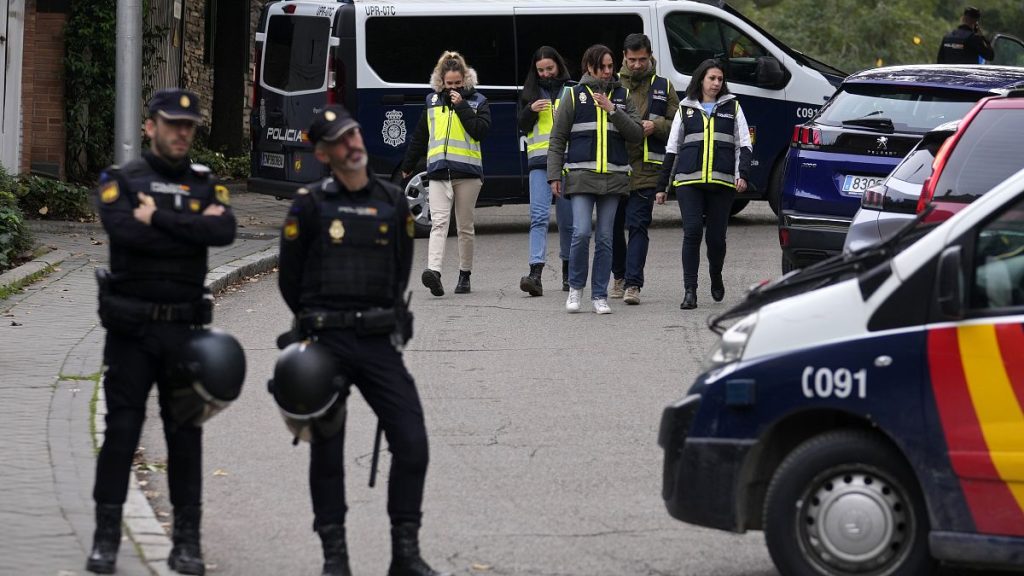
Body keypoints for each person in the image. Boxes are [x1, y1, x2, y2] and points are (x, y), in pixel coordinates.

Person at [279, 105, 448, 576]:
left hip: (376, 342)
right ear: (323, 153)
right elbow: (290, 282)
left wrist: (381, 319)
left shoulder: (393, 202)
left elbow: (398, 271)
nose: (353, 144)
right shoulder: (308, 205)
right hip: (324, 344)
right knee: (327, 450)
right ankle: (335, 556)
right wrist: (318, 321)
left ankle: (405, 554)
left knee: (412, 442)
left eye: (354, 134)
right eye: (340, 140)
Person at [88, 88, 238, 575]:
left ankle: (187, 542)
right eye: (172, 124)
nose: (181, 133)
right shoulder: (122, 180)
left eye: (188, 126)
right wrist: (191, 222)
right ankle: (106, 537)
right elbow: (125, 231)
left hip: (184, 332)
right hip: (131, 330)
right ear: (149, 126)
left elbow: (225, 232)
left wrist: (161, 218)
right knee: (121, 432)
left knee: (185, 436)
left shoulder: (204, 180)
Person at [547, 44, 644, 314]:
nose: (607, 71)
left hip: (613, 178)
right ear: (589, 67)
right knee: (580, 232)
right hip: (580, 177)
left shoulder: (621, 95)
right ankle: (576, 289)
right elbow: (557, 138)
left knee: (604, 238)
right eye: (602, 66)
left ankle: (599, 294)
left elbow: (636, 133)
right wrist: (554, 174)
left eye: (610, 66)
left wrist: (613, 109)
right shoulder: (574, 95)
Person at [658, 59, 752, 310]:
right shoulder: (685, 108)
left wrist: (741, 174)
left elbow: (744, 144)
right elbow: (672, 148)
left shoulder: (732, 107)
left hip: (721, 183)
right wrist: (662, 186)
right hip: (689, 181)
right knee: (692, 233)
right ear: (701, 79)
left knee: (716, 239)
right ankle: (690, 290)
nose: (716, 83)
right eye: (712, 78)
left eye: (720, 79)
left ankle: (716, 274)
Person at [402, 51, 491, 297]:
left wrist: (461, 106)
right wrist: (408, 165)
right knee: (439, 223)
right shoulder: (431, 102)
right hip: (439, 172)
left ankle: (465, 274)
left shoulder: (478, 101)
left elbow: (480, 131)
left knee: (464, 227)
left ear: (465, 80)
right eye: (449, 84)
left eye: (458, 84)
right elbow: (420, 136)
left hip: (468, 173)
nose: (453, 88)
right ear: (441, 81)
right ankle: (434, 272)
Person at [609, 33, 679, 305]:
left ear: (650, 56)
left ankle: (633, 284)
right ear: (623, 57)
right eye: (631, 60)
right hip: (614, 167)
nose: (637, 65)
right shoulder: (612, 84)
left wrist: (657, 126)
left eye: (642, 59)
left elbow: (681, 124)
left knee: (638, 225)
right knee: (612, 228)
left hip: (647, 168)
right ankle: (619, 275)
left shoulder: (663, 85)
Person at [518, 46, 575, 296]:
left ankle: (568, 271)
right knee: (538, 217)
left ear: (559, 66)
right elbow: (520, 125)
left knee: (568, 221)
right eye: (540, 70)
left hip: (568, 162)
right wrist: (530, 110)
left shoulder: (572, 90)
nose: (545, 74)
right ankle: (535, 273)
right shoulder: (529, 92)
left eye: (549, 69)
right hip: (540, 163)